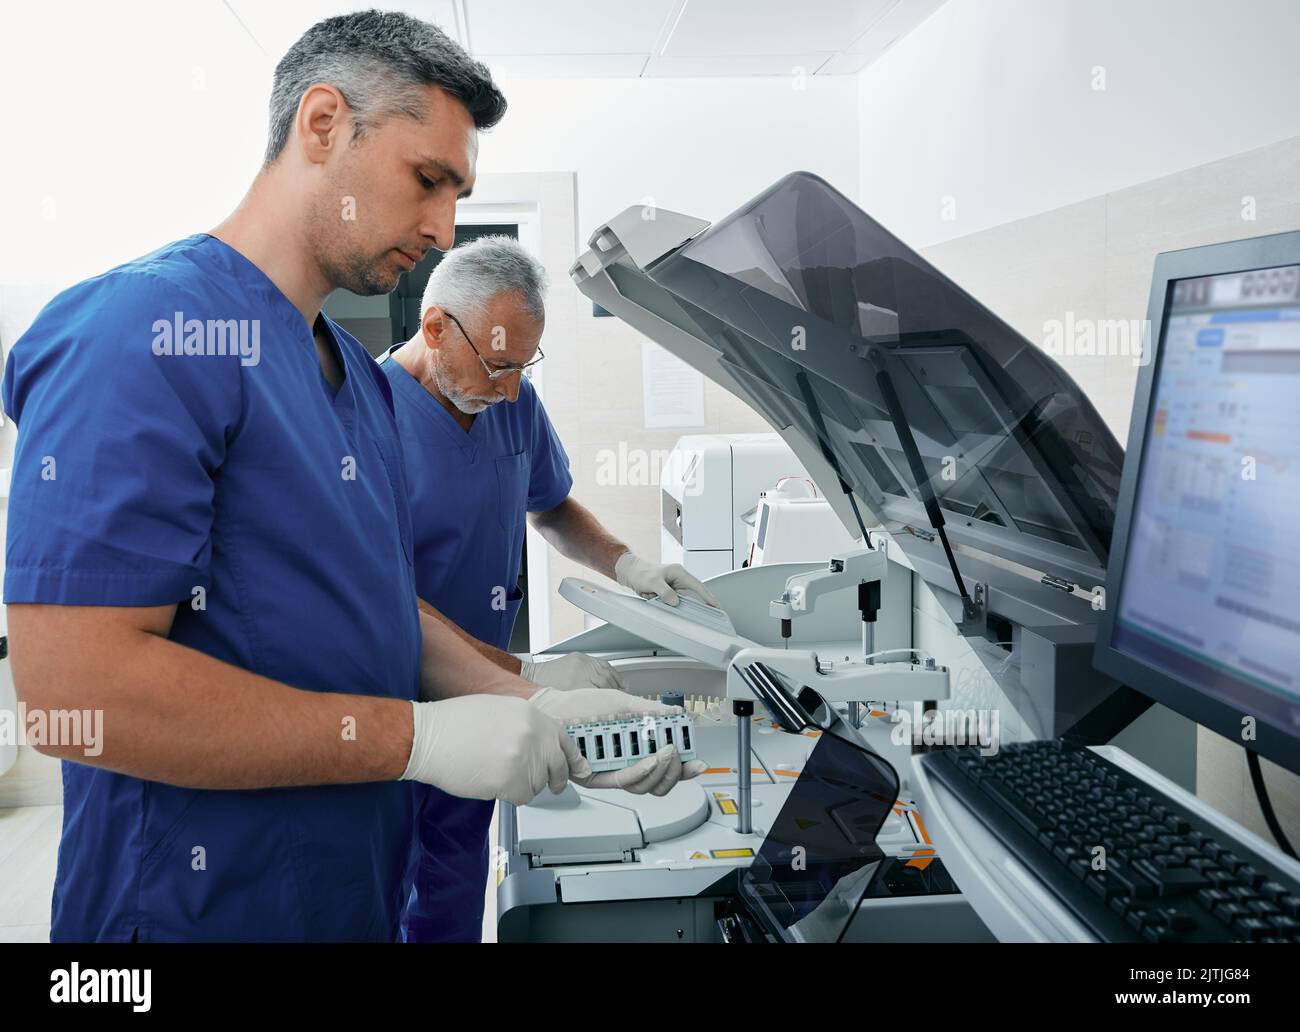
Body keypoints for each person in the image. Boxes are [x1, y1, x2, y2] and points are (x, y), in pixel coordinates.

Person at [1, 10, 690, 943]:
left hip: (343, 890)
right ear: (322, 124)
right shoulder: (146, 334)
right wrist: (420, 740)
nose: (445, 229)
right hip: (191, 915)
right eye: (427, 180)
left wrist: (537, 706)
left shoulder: (355, 384)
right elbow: (72, 695)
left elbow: (369, 606)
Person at [380, 236, 719, 941]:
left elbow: (551, 504)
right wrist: (530, 674)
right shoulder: (366, 422)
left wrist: (631, 566)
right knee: (383, 890)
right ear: (436, 327)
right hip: (398, 706)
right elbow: (388, 605)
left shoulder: (514, 403)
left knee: (452, 886)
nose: (510, 390)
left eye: (523, 367)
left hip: (492, 700)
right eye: (499, 366)